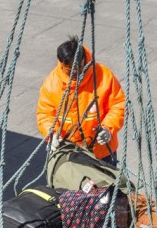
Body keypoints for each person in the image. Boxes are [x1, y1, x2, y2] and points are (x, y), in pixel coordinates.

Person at [37, 36, 126, 166]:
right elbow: (45, 114)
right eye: (69, 71)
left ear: (84, 60)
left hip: (102, 152)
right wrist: (53, 134)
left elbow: (118, 105)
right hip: (68, 153)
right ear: (62, 64)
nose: (74, 74)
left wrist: (108, 128)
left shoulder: (104, 77)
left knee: (105, 186)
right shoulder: (52, 83)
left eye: (78, 69)